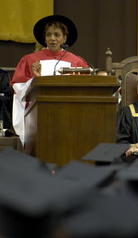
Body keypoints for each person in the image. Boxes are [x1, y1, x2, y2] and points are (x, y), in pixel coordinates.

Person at [11, 15, 89, 144]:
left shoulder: (76, 61)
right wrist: (36, 80)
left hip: (68, 112)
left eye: (57, 35)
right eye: (48, 35)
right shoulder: (30, 60)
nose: (52, 38)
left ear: (64, 38)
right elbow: (18, 87)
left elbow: (84, 88)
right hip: (38, 114)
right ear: (44, 38)